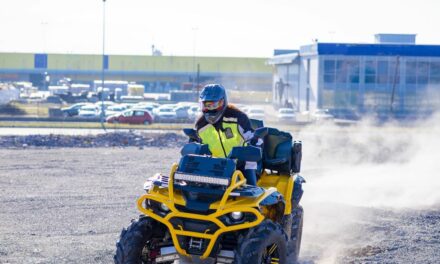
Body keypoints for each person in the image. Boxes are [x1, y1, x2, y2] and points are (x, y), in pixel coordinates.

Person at [195, 84, 259, 185]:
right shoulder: (201, 125)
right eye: (207, 105)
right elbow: (199, 148)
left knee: (253, 194)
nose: (211, 109)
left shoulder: (238, 118)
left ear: (223, 102)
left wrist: (255, 143)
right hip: (215, 167)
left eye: (214, 105)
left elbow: (252, 138)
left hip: (241, 165)